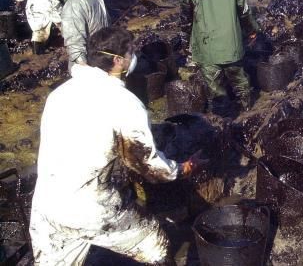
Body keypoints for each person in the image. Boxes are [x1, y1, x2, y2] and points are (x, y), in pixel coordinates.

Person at [29, 26, 208, 265]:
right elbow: (148, 165)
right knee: (154, 243)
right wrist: (184, 168)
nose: (134, 57)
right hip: (90, 207)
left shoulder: (59, 94)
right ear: (117, 60)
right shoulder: (124, 103)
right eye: (130, 52)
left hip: (47, 205)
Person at [185, 0, 259, 112]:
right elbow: (244, 12)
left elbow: (185, 17)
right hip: (231, 43)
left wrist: (186, 41)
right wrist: (253, 30)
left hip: (206, 46)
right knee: (240, 80)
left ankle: (221, 122)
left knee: (215, 89)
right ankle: (247, 112)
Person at [61, 0, 110, 69]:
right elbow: (74, 39)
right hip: (88, 65)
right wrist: (84, 67)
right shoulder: (75, 3)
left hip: (101, 59)